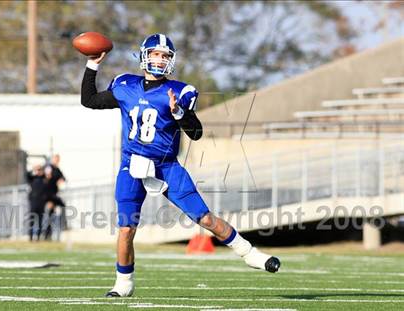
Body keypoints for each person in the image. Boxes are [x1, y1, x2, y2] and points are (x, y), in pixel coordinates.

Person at [80, 33, 281, 297]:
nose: (160, 60)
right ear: (144, 56)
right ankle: (123, 283)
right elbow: (90, 100)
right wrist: (92, 65)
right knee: (126, 229)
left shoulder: (179, 92)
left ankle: (250, 253)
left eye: (166, 56)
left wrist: (179, 114)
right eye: (156, 54)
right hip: (132, 165)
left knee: (206, 218)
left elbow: (196, 133)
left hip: (166, 166)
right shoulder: (125, 85)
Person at [43, 155, 66, 240]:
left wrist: (61, 179)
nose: (57, 161)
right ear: (53, 159)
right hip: (49, 194)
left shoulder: (57, 169)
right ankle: (46, 234)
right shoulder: (49, 167)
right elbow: (46, 179)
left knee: (52, 213)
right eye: (56, 159)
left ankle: (48, 234)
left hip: (54, 194)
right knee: (49, 213)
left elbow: (63, 177)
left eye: (58, 160)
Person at [26, 164, 47, 241]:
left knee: (40, 220)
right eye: (37, 170)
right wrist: (33, 169)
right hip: (33, 202)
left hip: (41, 202)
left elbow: (47, 177)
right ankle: (30, 237)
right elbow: (27, 175)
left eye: (39, 170)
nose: (38, 171)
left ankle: (38, 237)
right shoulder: (33, 178)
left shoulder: (44, 178)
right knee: (32, 219)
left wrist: (42, 172)